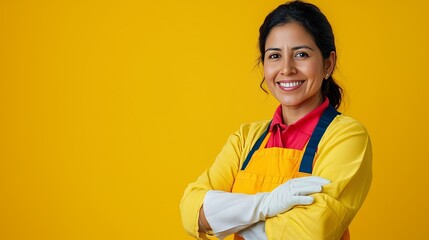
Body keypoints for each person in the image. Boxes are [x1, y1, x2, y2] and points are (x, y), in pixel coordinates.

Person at [180, 1, 372, 239]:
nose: (287, 69)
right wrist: (266, 205)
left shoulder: (346, 137)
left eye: (301, 54)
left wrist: (229, 219)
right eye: (274, 56)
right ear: (264, 65)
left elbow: (311, 231)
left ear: (328, 63)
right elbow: (191, 210)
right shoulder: (246, 138)